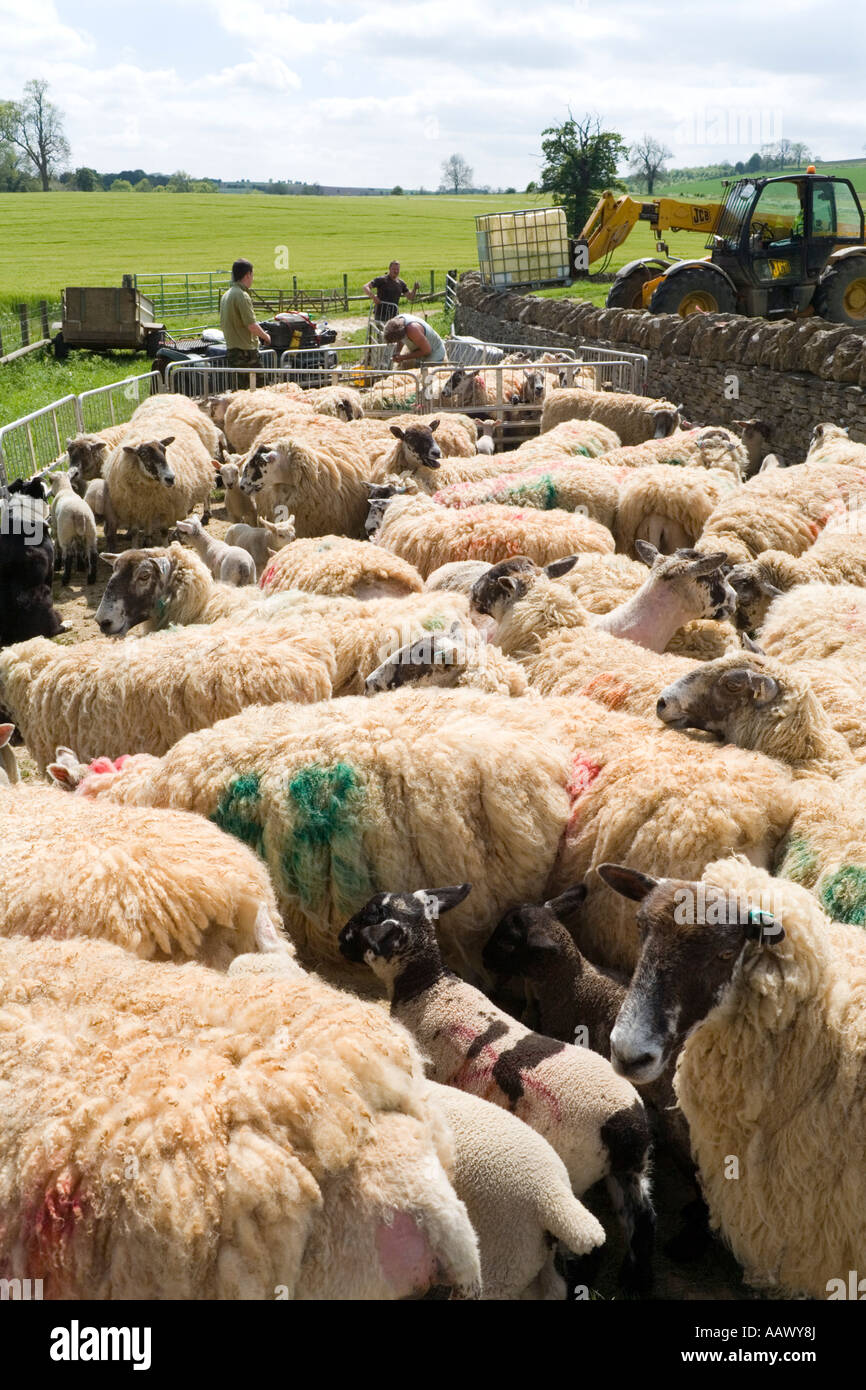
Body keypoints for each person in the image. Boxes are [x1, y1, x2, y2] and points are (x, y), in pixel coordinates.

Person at [219, 259, 271, 372]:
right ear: (248, 275)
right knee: (258, 387)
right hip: (246, 352)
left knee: (240, 388)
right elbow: (251, 325)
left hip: (232, 349)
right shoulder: (242, 295)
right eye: (252, 275)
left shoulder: (226, 295)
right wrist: (266, 337)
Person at [382, 313, 446, 366]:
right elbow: (400, 340)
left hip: (434, 353)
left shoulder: (413, 330)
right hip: (422, 352)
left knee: (427, 379)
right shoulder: (397, 322)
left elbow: (427, 351)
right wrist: (398, 352)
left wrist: (403, 357)